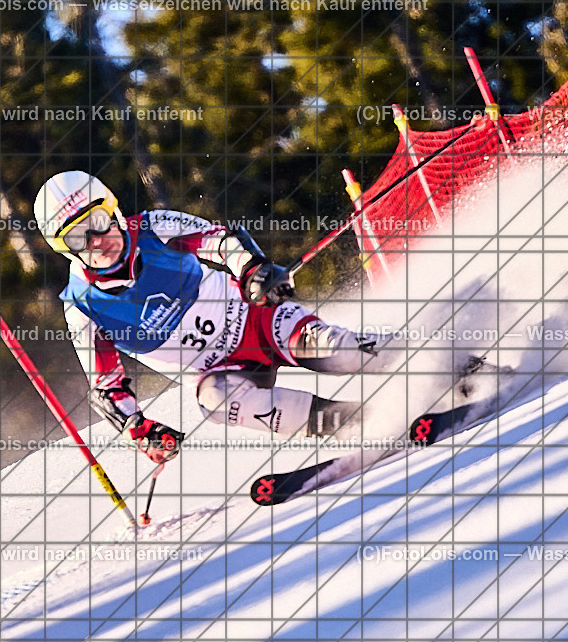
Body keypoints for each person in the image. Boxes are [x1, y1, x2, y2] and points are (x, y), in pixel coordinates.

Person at [34, 170, 388, 464]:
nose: (97, 241)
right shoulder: (82, 307)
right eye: (78, 238)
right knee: (217, 403)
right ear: (65, 250)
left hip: (257, 320)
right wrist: (141, 432)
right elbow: (107, 387)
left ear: (112, 209)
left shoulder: (154, 227)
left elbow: (220, 240)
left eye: (98, 222)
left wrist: (253, 270)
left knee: (331, 348)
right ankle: (361, 423)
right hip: (219, 372)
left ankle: (414, 359)